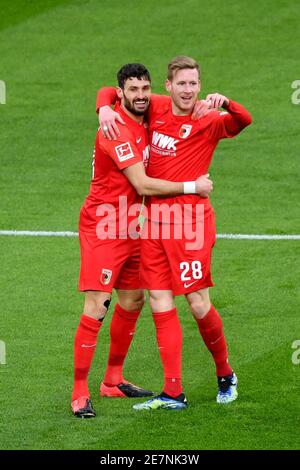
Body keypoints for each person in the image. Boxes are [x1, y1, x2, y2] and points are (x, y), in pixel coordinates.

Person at [96, 56, 252, 410]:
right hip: (153, 225)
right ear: (168, 86)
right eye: (181, 83)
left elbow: (244, 121)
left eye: (193, 83)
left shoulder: (209, 119)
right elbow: (113, 90)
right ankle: (173, 392)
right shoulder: (157, 107)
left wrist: (226, 102)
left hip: (192, 226)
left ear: (200, 85)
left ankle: (225, 373)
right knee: (159, 301)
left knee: (198, 303)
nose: (188, 90)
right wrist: (103, 108)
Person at [72, 63, 213, 418]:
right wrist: (193, 187)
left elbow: (112, 90)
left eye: (144, 89)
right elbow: (143, 185)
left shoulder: (147, 110)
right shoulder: (115, 129)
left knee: (133, 299)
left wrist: (200, 104)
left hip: (136, 224)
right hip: (105, 225)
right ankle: (79, 392)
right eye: (131, 90)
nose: (139, 96)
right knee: (97, 307)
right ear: (122, 93)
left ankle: (113, 379)